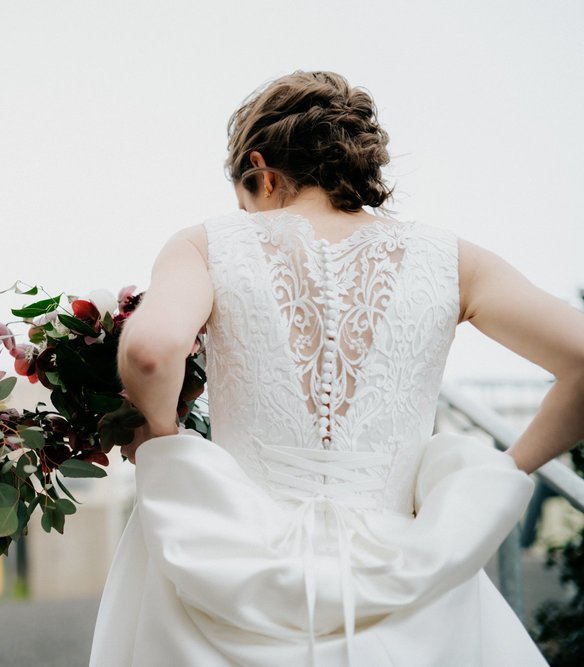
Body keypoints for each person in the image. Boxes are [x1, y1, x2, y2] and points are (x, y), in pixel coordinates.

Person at [91, 71, 584, 666]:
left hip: (231, 568)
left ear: (260, 170)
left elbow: (150, 352)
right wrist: (500, 474)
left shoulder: (204, 245)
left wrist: (164, 445)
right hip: (410, 574)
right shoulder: (453, 260)